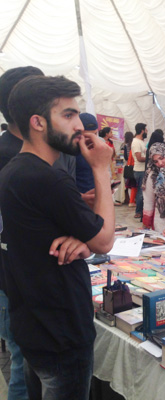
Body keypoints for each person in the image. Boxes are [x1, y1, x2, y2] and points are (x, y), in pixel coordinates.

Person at [0, 74, 115, 399]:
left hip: (33, 325)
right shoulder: (48, 179)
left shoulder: (14, 172)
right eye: (68, 115)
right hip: (61, 331)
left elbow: (40, 231)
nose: (79, 126)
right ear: (37, 122)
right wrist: (101, 168)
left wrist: (83, 238)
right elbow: (104, 240)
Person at [0, 65, 44, 400]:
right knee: (23, 361)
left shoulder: (25, 149)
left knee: (26, 360)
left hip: (22, 275)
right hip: (15, 278)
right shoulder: (12, 156)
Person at [75, 113, 99, 194]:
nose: (92, 139)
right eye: (87, 136)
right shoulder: (70, 152)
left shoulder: (97, 149)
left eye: (95, 134)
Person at [132, 123, 148, 218]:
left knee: (142, 192)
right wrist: (150, 158)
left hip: (143, 170)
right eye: (146, 130)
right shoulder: (136, 142)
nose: (147, 132)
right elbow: (139, 158)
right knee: (141, 192)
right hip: (139, 170)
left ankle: (141, 211)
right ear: (142, 131)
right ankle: (138, 212)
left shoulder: (141, 141)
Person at [122, 131, 136, 205]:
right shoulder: (134, 144)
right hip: (136, 165)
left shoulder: (125, 146)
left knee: (128, 183)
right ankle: (133, 199)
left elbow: (125, 157)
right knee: (135, 184)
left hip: (129, 166)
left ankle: (129, 199)